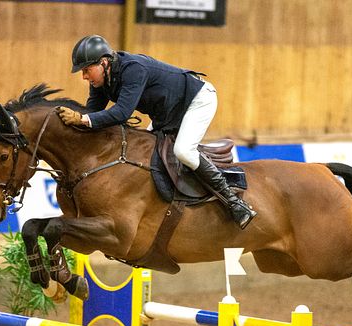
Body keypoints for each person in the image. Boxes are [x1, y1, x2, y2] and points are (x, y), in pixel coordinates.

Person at [56, 34, 256, 229]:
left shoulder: (133, 69)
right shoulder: (101, 82)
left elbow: (122, 113)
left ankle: (234, 202)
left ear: (104, 62)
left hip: (196, 100)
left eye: (87, 69)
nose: (84, 76)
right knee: (146, 150)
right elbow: (93, 113)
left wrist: (82, 119)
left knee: (183, 151)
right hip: (168, 113)